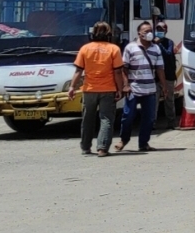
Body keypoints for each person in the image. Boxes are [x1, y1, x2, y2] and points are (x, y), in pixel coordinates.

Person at [67, 22, 125, 156]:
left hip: (89, 90)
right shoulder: (114, 49)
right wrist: (120, 89)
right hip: (108, 90)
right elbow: (117, 72)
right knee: (106, 119)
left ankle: (85, 147)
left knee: (87, 119)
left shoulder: (85, 49)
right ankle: (102, 148)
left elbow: (78, 71)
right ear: (109, 34)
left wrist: (72, 87)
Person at [115, 21, 168, 153]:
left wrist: (164, 86)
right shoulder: (130, 48)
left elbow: (160, 69)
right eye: (146, 31)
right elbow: (124, 68)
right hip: (133, 89)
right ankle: (124, 139)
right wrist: (125, 85)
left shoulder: (156, 49)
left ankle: (143, 143)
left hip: (150, 89)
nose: (149, 33)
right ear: (139, 33)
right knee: (128, 116)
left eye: (150, 31)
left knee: (149, 118)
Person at [153, 21, 178, 129]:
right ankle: (152, 123)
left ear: (166, 30)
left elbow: (168, 54)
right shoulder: (151, 42)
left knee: (169, 101)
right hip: (155, 77)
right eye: (157, 29)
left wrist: (159, 44)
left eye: (161, 29)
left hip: (168, 76)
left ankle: (171, 123)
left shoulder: (169, 42)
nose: (159, 31)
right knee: (154, 102)